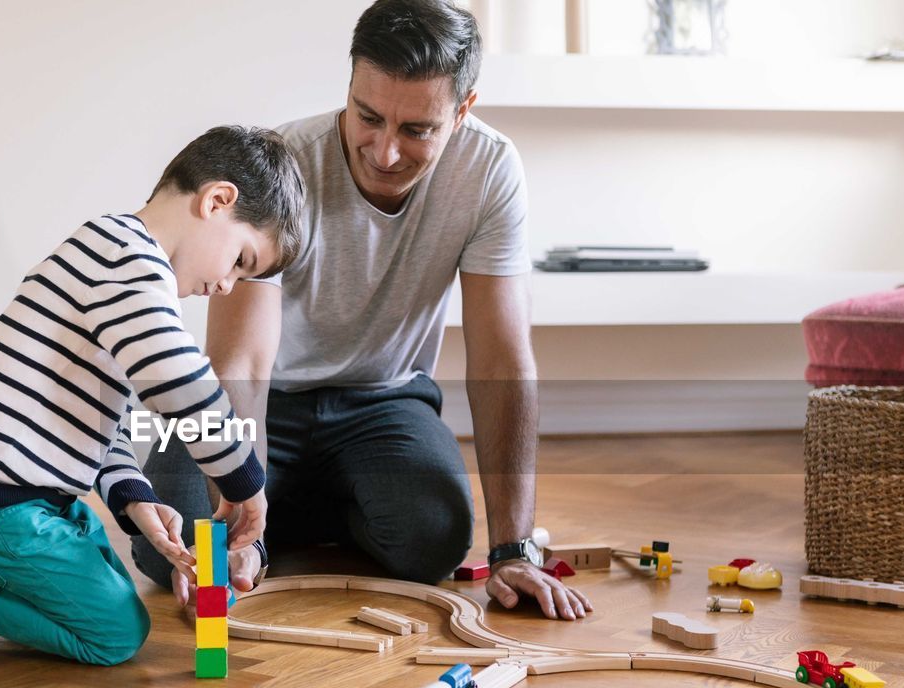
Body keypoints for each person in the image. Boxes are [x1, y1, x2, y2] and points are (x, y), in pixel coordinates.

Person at [132, 0, 593, 621]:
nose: (384, 152)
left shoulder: (489, 171)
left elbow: (502, 357)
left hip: (385, 401)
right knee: (169, 548)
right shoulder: (285, 163)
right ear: (348, 86)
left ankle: (299, 508)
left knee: (433, 537)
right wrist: (244, 520)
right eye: (367, 116)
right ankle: (280, 515)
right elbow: (242, 360)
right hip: (267, 401)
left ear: (462, 111)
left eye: (416, 130)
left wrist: (513, 550)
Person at [0, 125, 306, 664]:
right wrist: (244, 482)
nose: (229, 286)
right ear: (217, 201)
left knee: (99, 561)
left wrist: (134, 497)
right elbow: (183, 386)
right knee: (115, 632)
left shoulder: (106, 248)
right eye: (241, 260)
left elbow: (97, 421)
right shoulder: (133, 265)